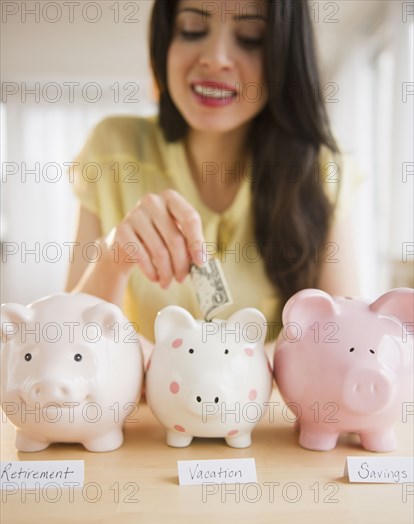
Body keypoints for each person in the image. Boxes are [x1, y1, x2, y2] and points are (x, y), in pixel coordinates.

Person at [65, 0, 359, 362]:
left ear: (284, 56)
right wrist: (112, 257)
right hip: (145, 417)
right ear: (165, 39)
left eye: (251, 37)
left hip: (268, 418)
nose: (216, 58)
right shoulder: (111, 150)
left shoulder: (322, 168)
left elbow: (346, 345)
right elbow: (65, 345)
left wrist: (210, 369)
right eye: (192, 30)